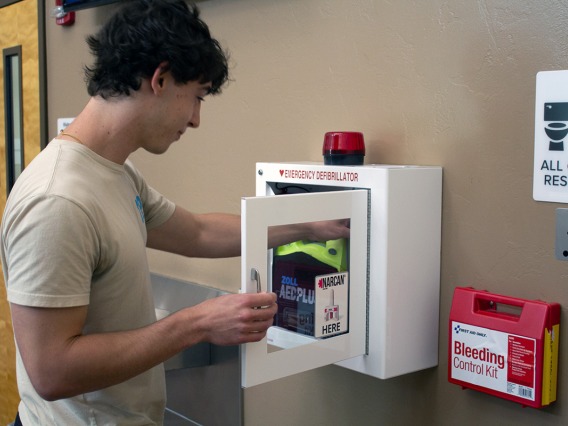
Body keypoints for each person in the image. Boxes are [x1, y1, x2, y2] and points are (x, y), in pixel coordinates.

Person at [0, 1, 350, 425]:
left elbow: (198, 233)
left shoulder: (115, 173)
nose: (197, 120)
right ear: (160, 79)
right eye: (197, 98)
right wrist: (198, 323)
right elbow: (52, 371)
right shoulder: (57, 200)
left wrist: (307, 225)